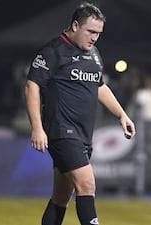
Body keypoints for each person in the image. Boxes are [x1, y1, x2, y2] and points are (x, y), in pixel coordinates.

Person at [25, 3, 136, 225]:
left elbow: (99, 86)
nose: (95, 38)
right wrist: (37, 127)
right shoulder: (53, 51)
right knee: (87, 185)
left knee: (61, 197)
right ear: (75, 25)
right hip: (62, 131)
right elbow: (32, 86)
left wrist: (121, 115)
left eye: (99, 33)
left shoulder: (93, 55)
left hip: (83, 135)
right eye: (91, 32)